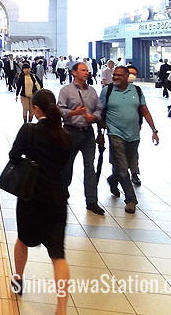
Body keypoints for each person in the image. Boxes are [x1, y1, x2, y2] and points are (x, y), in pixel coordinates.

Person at [9, 89, 71, 315]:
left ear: (36, 109)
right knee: (58, 254)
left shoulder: (29, 130)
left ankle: (18, 278)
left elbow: (14, 157)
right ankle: (61, 307)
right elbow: (65, 166)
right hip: (57, 198)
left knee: (23, 239)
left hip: (31, 196)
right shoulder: (64, 135)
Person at [101, 66, 159, 213]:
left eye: (119, 75)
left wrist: (154, 130)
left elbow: (144, 110)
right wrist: (99, 133)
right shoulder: (107, 91)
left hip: (133, 134)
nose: (115, 77)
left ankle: (113, 180)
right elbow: (100, 112)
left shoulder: (136, 91)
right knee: (122, 166)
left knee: (124, 166)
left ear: (127, 76)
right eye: (114, 75)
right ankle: (131, 200)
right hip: (114, 133)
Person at [57, 62, 105, 215]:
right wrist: (73, 113)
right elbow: (59, 109)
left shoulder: (92, 91)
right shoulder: (66, 91)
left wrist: (95, 117)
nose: (86, 73)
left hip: (88, 133)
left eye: (87, 70)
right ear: (74, 73)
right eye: (83, 70)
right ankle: (62, 193)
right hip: (71, 132)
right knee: (67, 165)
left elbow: (99, 108)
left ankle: (91, 201)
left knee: (90, 167)